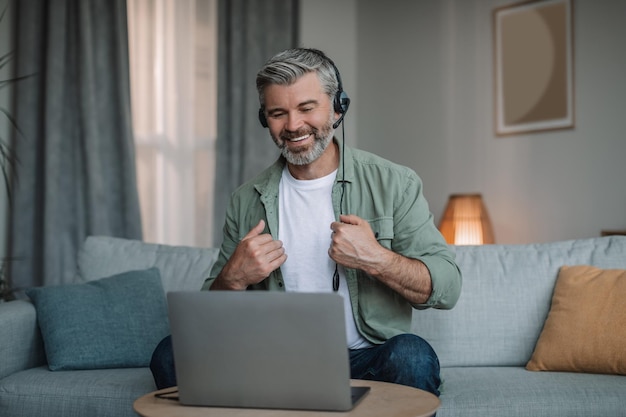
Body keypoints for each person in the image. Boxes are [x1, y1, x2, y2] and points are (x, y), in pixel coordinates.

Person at [150, 48, 462, 396]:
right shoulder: (245, 199)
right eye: (278, 113)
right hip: (269, 361)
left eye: (306, 108)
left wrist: (375, 258)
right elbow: (204, 320)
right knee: (169, 354)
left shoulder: (395, 183)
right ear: (264, 119)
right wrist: (232, 279)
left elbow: (447, 287)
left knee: (412, 356)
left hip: (365, 360)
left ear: (337, 106)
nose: (294, 125)